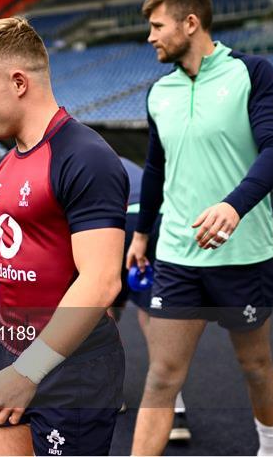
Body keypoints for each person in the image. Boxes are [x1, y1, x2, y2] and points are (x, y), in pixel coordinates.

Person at [126, 0, 273, 456]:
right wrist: (141, 234)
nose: (151, 37)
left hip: (244, 254)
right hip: (177, 253)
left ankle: (271, 448)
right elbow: (157, 167)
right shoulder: (160, 92)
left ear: (190, 23)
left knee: (256, 366)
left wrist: (233, 205)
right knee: (161, 376)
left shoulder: (252, 72)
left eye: (158, 26)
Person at [0, 17, 129, 456]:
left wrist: (28, 372)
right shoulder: (7, 161)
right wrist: (12, 363)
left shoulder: (85, 156)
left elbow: (102, 281)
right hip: (8, 350)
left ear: (17, 82)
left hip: (72, 368)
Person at [110, 157, 190, 440]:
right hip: (157, 221)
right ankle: (176, 409)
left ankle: (110, 393)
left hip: (118, 223)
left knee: (101, 306)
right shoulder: (125, 163)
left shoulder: (77, 162)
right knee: (152, 313)